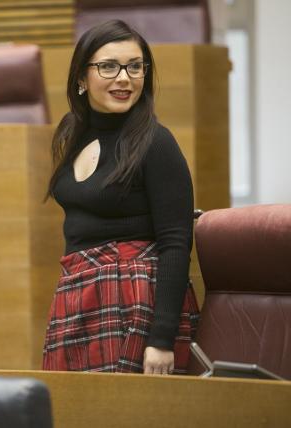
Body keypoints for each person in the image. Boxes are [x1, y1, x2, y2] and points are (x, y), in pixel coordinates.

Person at [42, 20, 199, 375]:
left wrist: (162, 338)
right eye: (108, 66)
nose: (124, 78)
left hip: (135, 304)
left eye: (135, 66)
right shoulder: (72, 133)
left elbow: (175, 243)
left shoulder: (156, 142)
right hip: (79, 299)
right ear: (81, 78)